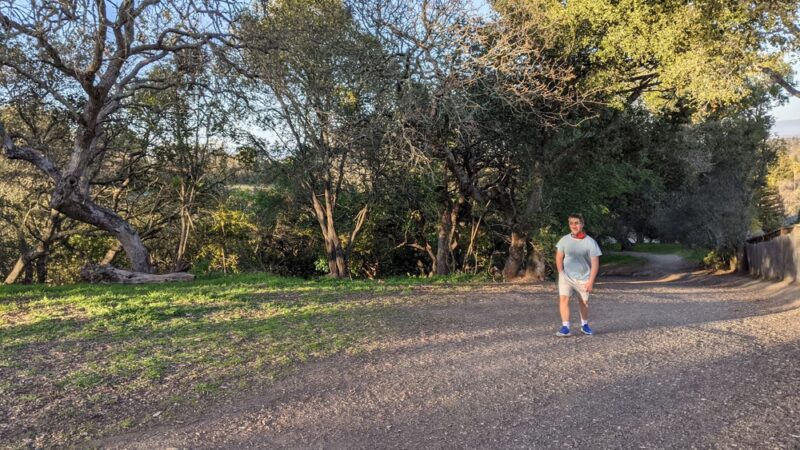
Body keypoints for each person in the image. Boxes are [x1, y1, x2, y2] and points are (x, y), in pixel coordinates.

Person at [554, 213, 602, 337]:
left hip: (584, 277)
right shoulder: (564, 240)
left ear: (582, 224)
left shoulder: (590, 242)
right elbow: (559, 257)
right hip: (566, 276)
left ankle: (585, 325)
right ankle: (565, 327)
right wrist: (561, 273)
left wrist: (591, 281)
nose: (574, 225)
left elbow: (595, 264)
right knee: (563, 299)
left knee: (583, 301)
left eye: (576, 223)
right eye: (571, 223)